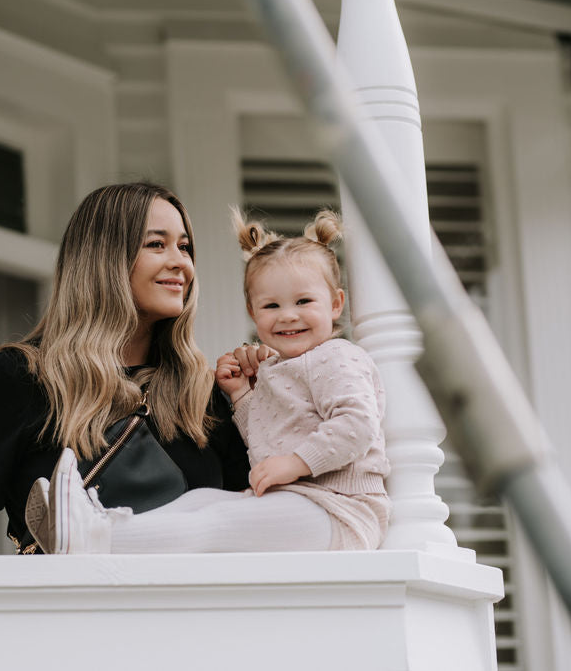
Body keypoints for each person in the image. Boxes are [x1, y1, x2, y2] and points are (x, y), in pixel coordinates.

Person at [26, 209, 391, 554]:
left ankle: (97, 539)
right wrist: (243, 398)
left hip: (340, 510)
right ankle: (97, 524)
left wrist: (296, 462)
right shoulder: (280, 368)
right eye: (271, 306)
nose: (288, 316)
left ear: (336, 304)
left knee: (216, 522)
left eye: (304, 301)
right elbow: (271, 439)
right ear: (252, 312)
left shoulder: (338, 356)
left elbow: (357, 425)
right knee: (198, 500)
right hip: (297, 501)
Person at [0, 182, 251, 554]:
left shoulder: (202, 392)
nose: (181, 263)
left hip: (187, 608)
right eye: (157, 244)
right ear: (104, 258)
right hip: (65, 608)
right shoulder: (19, 378)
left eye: (185, 247)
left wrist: (262, 396)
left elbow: (251, 506)